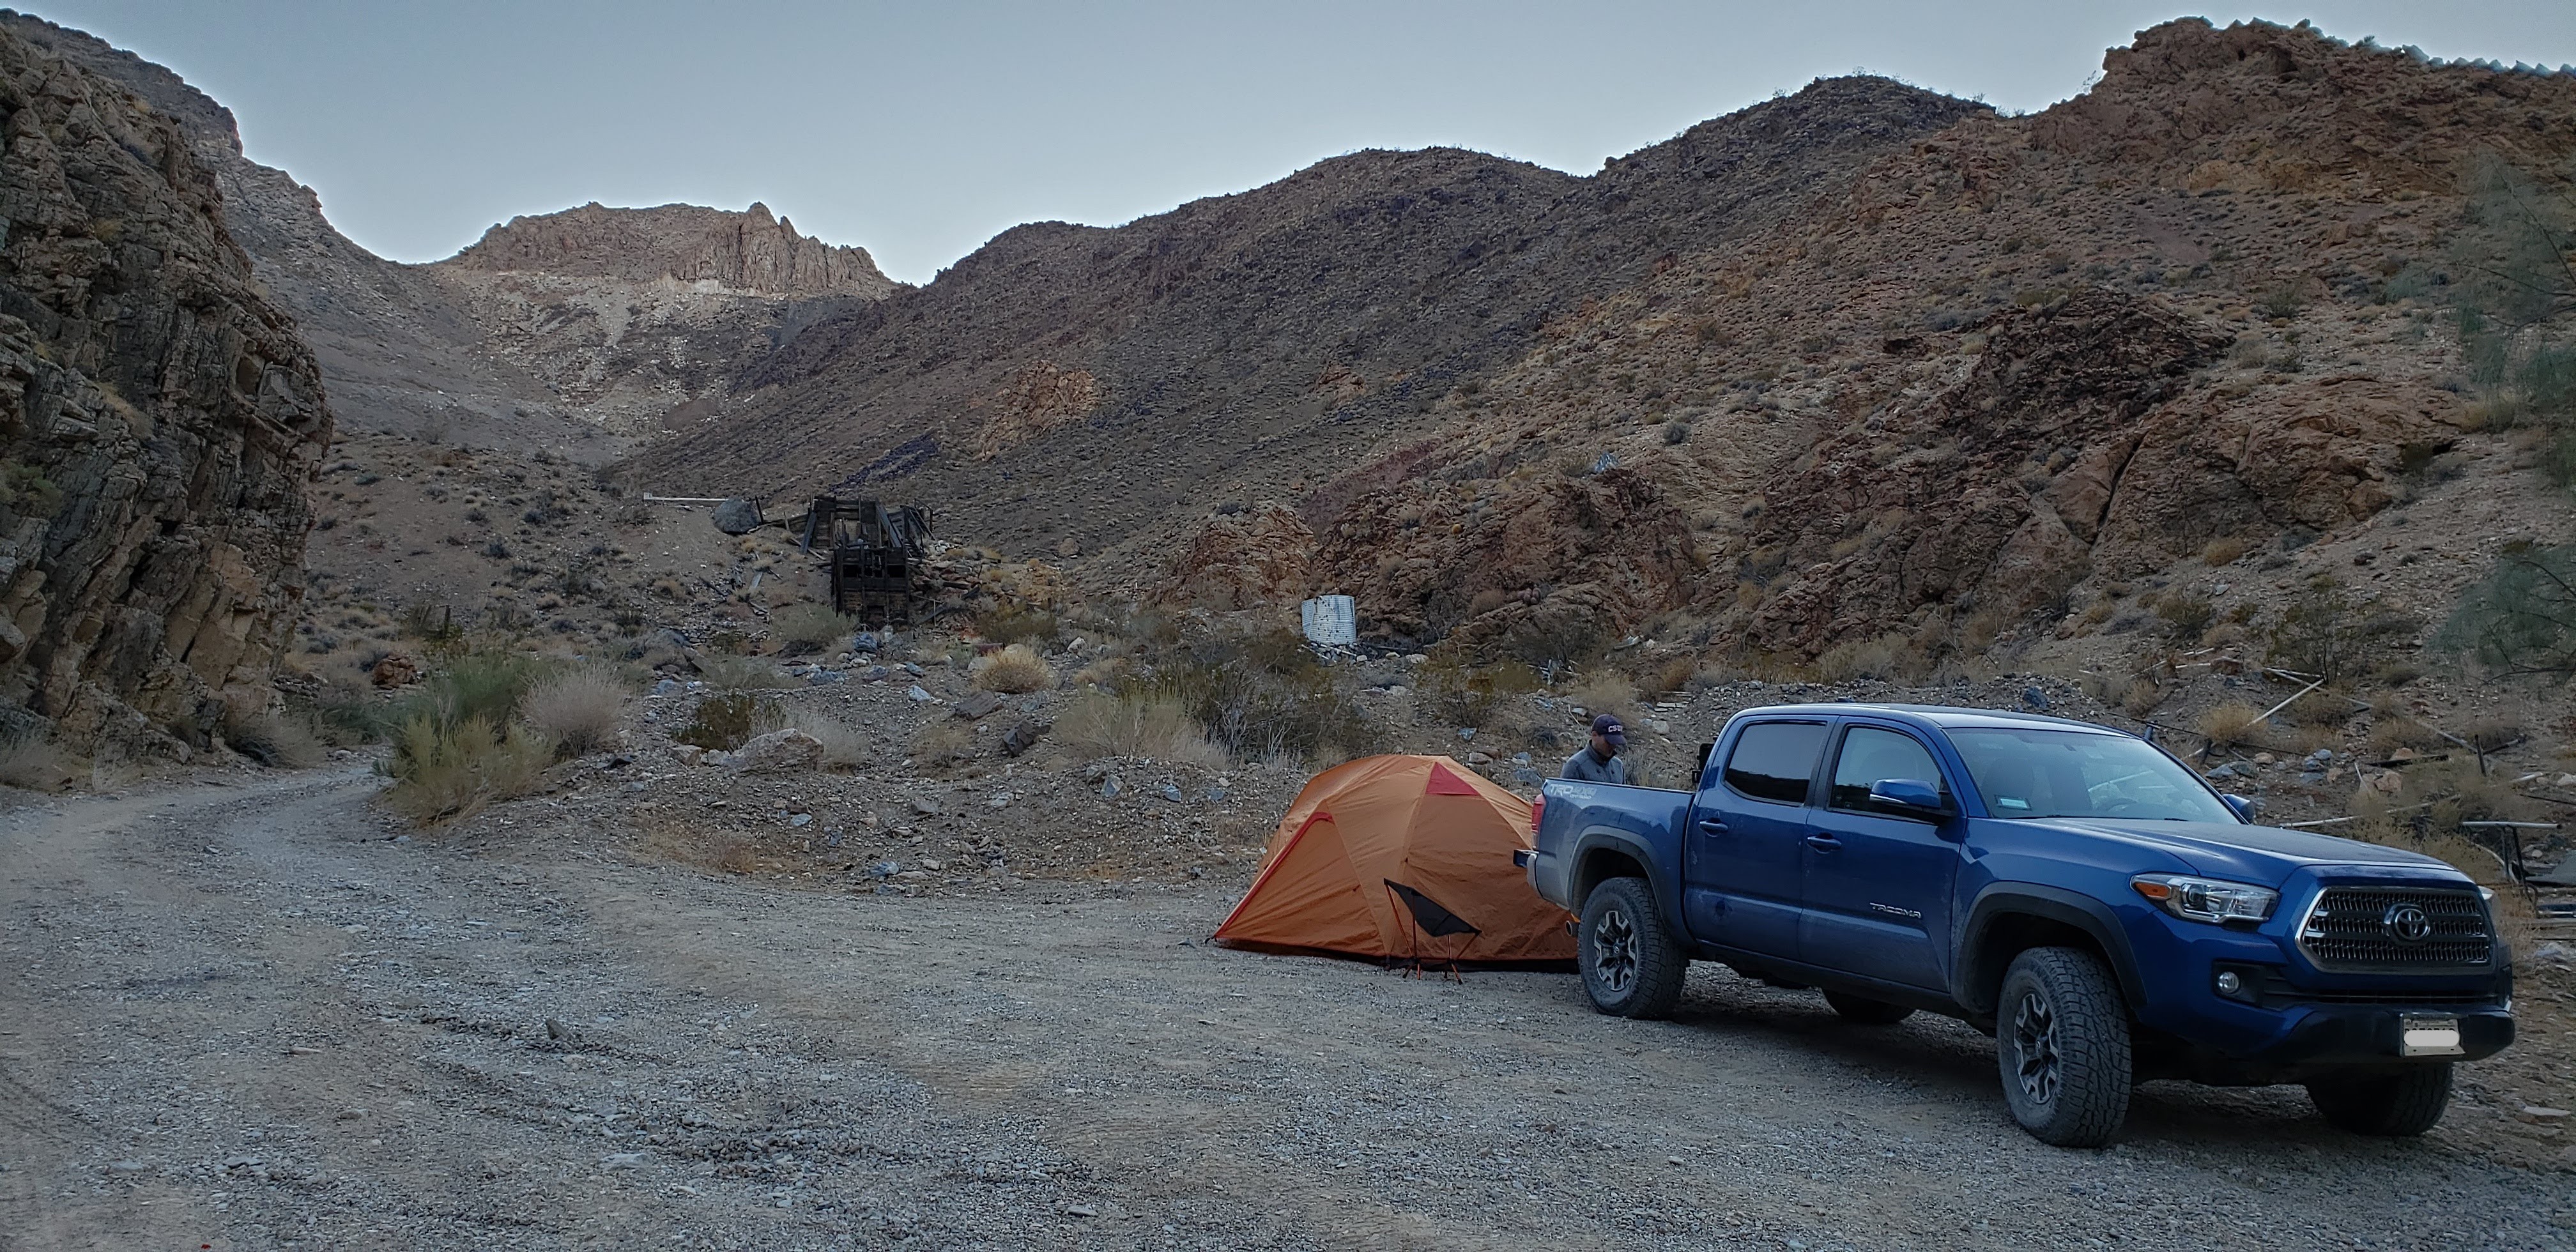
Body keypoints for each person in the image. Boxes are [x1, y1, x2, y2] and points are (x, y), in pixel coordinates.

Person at [1561, 714, 1628, 784]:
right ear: (1594, 735)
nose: (1613, 746)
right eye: (1609, 742)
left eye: (1616, 742)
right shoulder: (1575, 766)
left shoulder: (1618, 766)